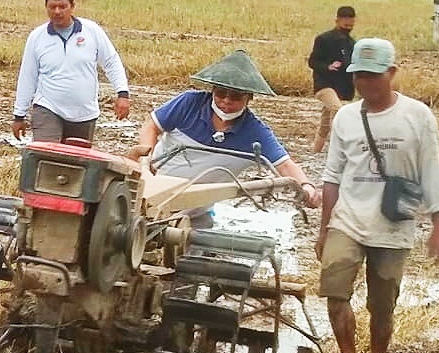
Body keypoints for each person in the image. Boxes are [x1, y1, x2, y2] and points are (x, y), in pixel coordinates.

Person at [315, 37, 439, 353]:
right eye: (359, 76)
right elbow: (332, 176)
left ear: (392, 72)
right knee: (335, 293)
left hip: (393, 223)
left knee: (382, 305)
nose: (365, 83)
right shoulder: (345, 117)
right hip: (347, 220)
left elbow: (432, 170)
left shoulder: (417, 116)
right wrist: (323, 230)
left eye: (374, 76)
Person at [129, 50, 321, 225]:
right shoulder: (189, 104)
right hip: (148, 197)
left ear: (249, 98)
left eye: (236, 96)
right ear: (212, 90)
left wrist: (306, 187)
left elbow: (285, 165)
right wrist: (148, 157)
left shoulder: (255, 132)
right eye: (221, 93)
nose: (226, 101)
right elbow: (151, 125)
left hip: (193, 213)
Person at [11, 0, 130, 143]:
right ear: (45, 6)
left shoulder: (92, 31)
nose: (57, 11)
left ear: (72, 6)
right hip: (48, 108)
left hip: (84, 114)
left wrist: (122, 94)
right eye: (52, 7)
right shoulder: (37, 37)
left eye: (62, 6)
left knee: (77, 164)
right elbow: (28, 76)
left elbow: (111, 62)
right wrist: (19, 115)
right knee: (48, 158)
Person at [308, 6, 356, 153]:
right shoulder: (324, 39)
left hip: (341, 88)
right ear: (337, 21)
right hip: (324, 85)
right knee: (337, 110)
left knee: (325, 122)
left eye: (351, 25)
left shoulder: (352, 44)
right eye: (345, 24)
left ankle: (315, 151)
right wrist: (328, 67)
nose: (348, 27)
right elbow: (312, 62)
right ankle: (339, 148)